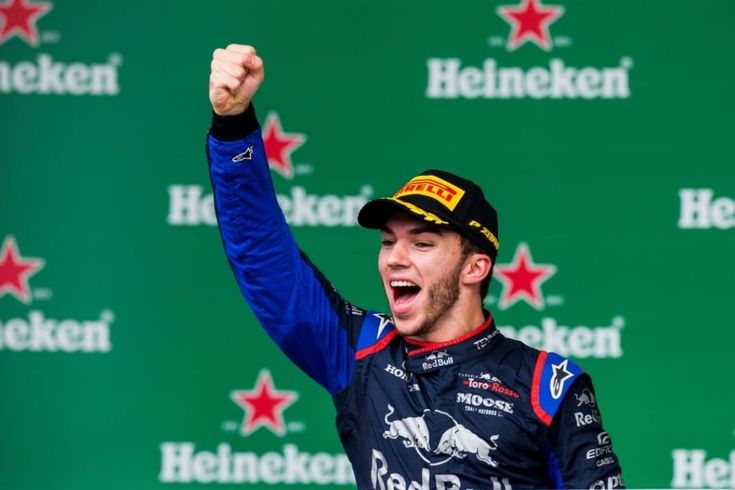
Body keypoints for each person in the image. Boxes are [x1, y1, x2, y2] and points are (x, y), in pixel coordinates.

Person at [206, 43, 625, 489]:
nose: (395, 258)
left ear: (475, 268)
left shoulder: (546, 387)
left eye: (422, 244)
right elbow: (264, 259)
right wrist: (233, 128)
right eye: (388, 242)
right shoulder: (361, 354)